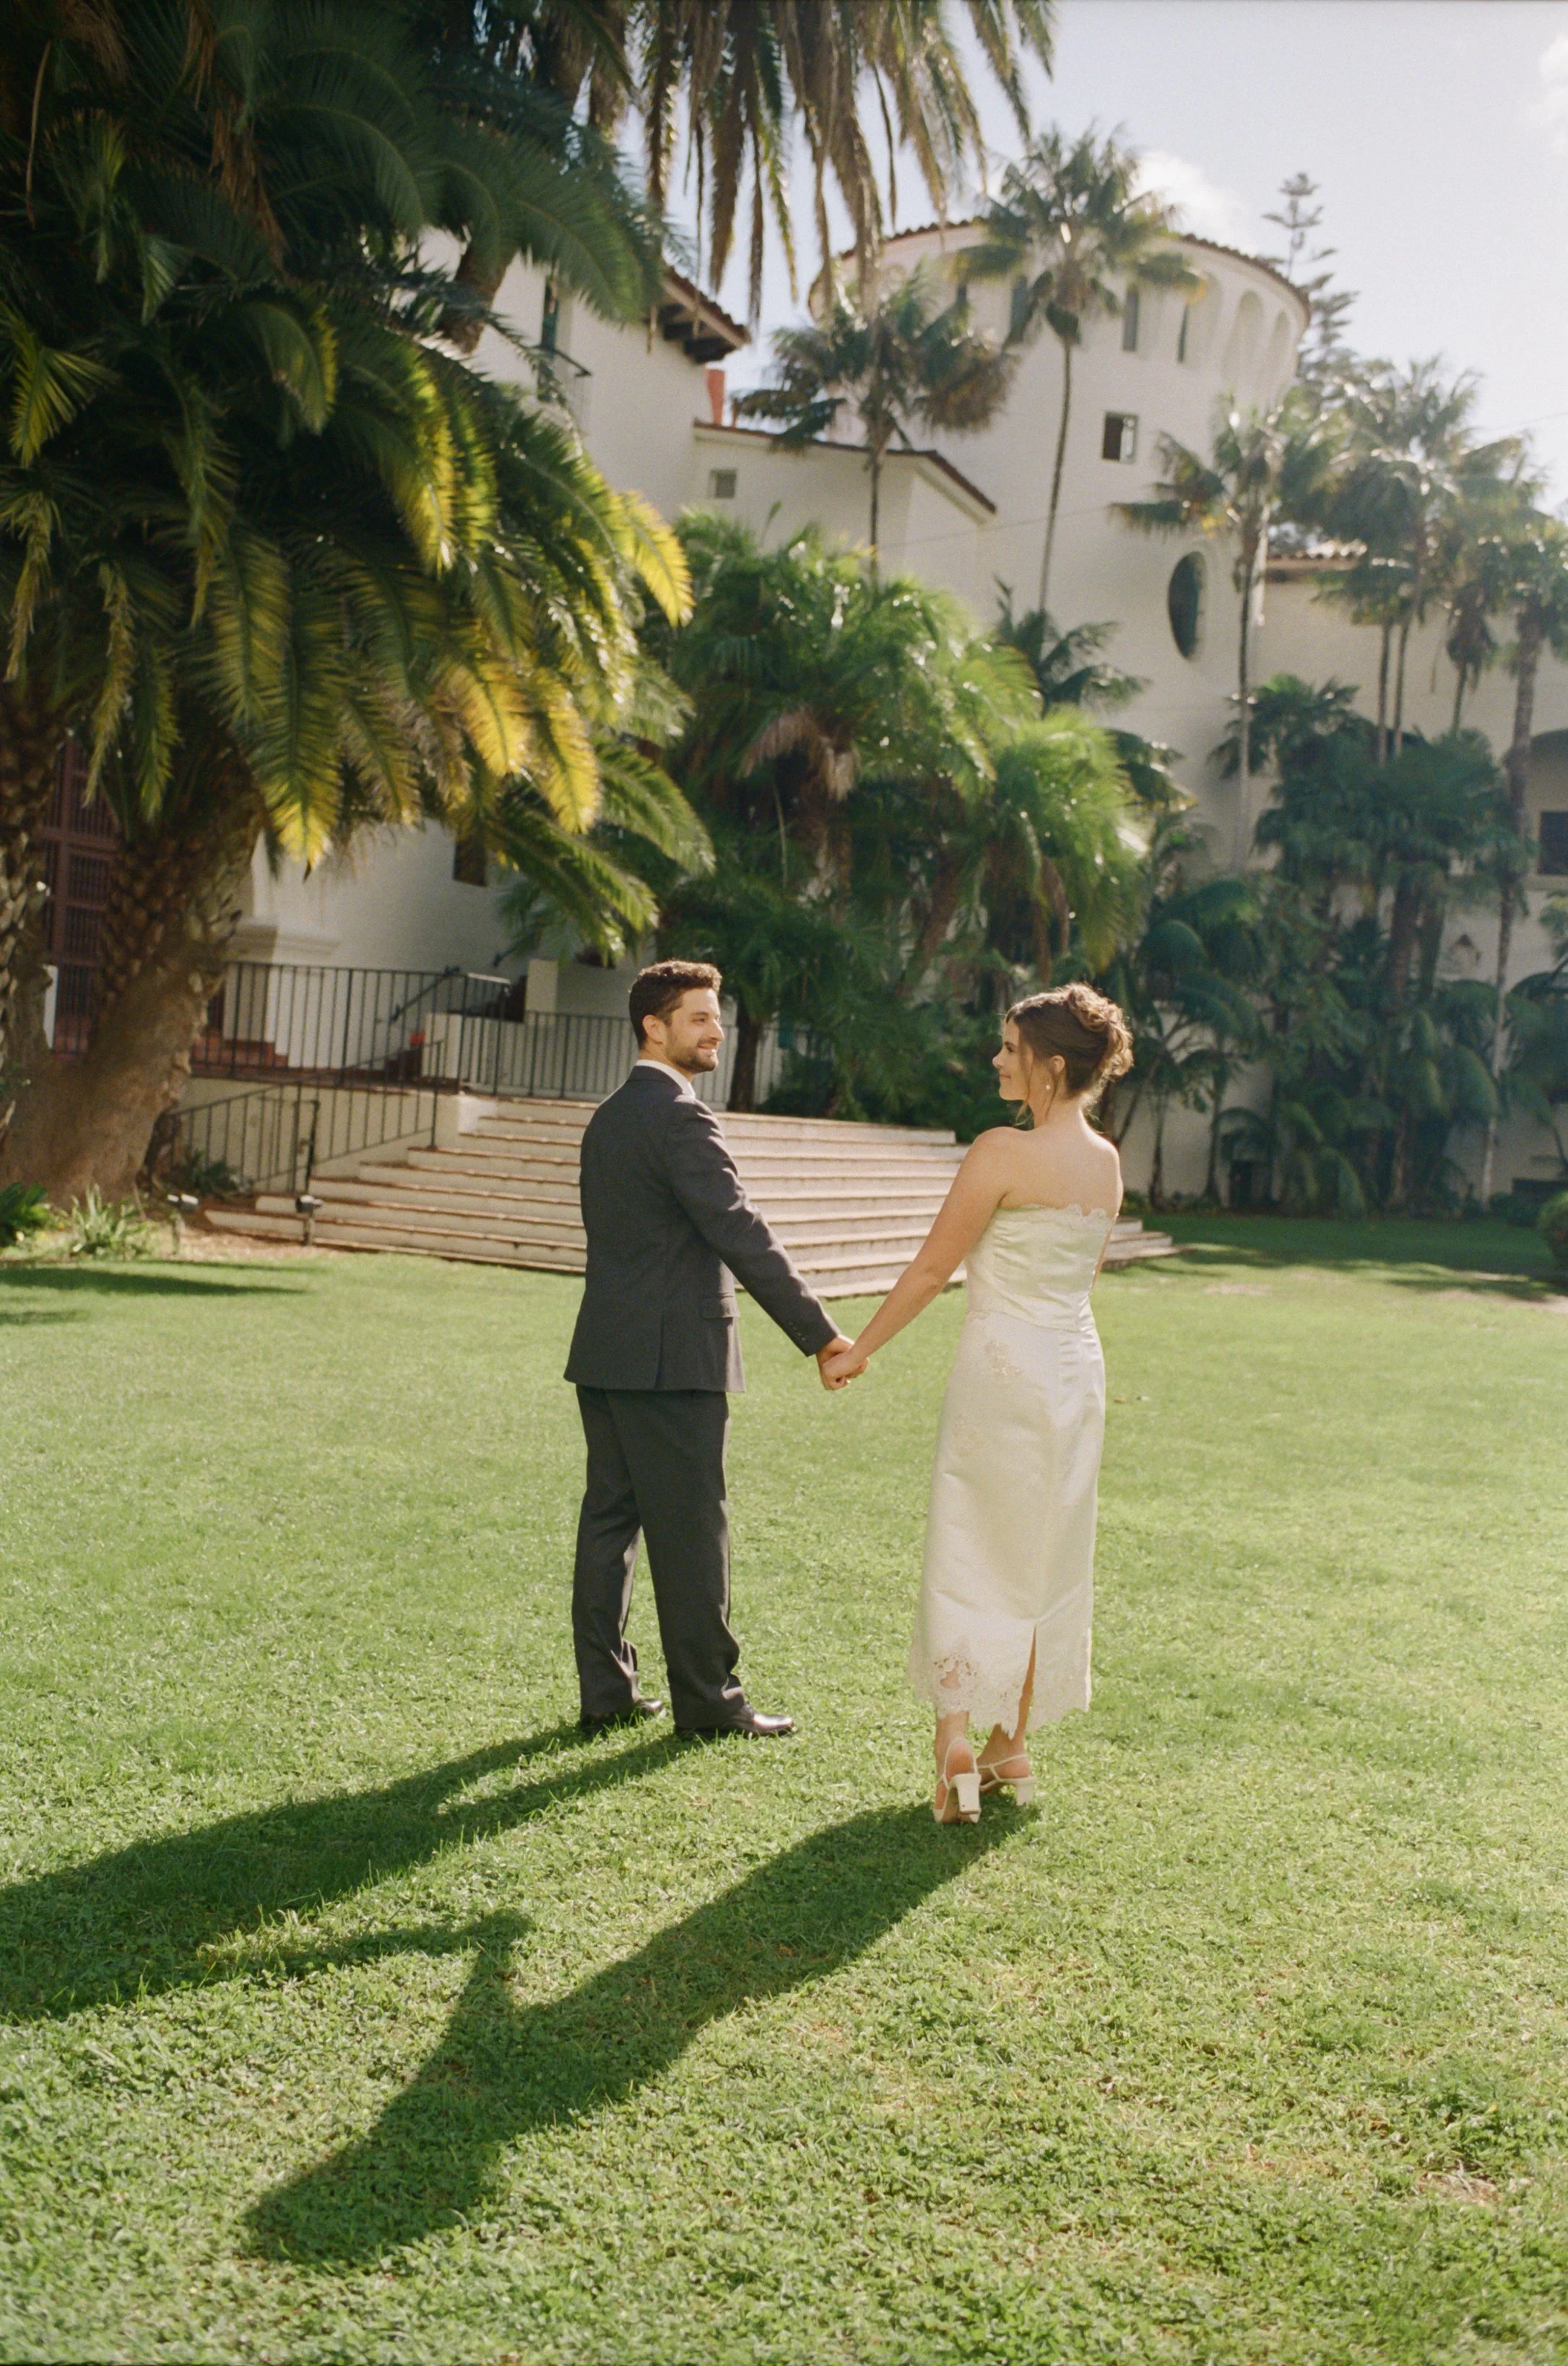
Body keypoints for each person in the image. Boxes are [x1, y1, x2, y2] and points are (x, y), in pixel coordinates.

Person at [823, 983, 1132, 1822]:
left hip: (1000, 1371)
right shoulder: (1104, 1162)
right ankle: (1011, 1742)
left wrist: (860, 1348)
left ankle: (956, 1740)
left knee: (970, 1543)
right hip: (1073, 1372)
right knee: (1047, 1553)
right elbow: (1085, 1277)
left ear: (1049, 1064)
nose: (996, 1058)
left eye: (1008, 1047)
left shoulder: (1000, 1151)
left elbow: (932, 1269)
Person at [565, 960, 859, 1740]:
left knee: (609, 1523)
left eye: (716, 1016)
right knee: (692, 1533)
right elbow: (738, 1231)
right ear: (652, 1027)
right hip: (671, 1361)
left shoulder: (608, 1117)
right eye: (698, 1016)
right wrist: (821, 1334)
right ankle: (710, 1702)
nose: (715, 1030)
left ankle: (607, 1692)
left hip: (605, 1350)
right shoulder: (679, 1118)